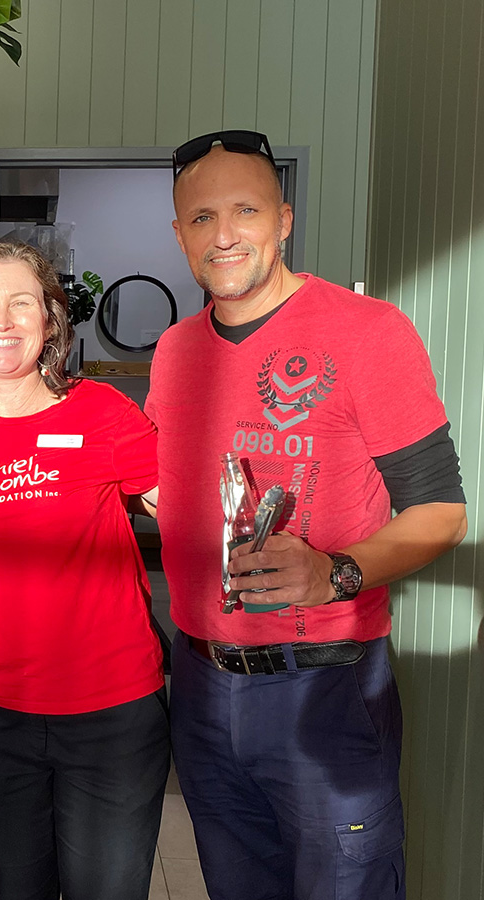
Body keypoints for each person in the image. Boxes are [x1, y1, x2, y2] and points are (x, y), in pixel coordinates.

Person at [145, 130, 468, 900]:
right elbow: (165, 483)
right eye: (201, 218)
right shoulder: (174, 349)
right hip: (199, 683)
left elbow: (443, 511)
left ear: (284, 220)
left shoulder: (368, 331)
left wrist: (336, 571)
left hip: (323, 689)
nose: (223, 235)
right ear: (180, 234)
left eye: (246, 210)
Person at [0, 242, 169, 900]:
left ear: (52, 322)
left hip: (111, 712)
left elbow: (170, 503)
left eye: (21, 302)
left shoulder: (105, 413)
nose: (2, 319)